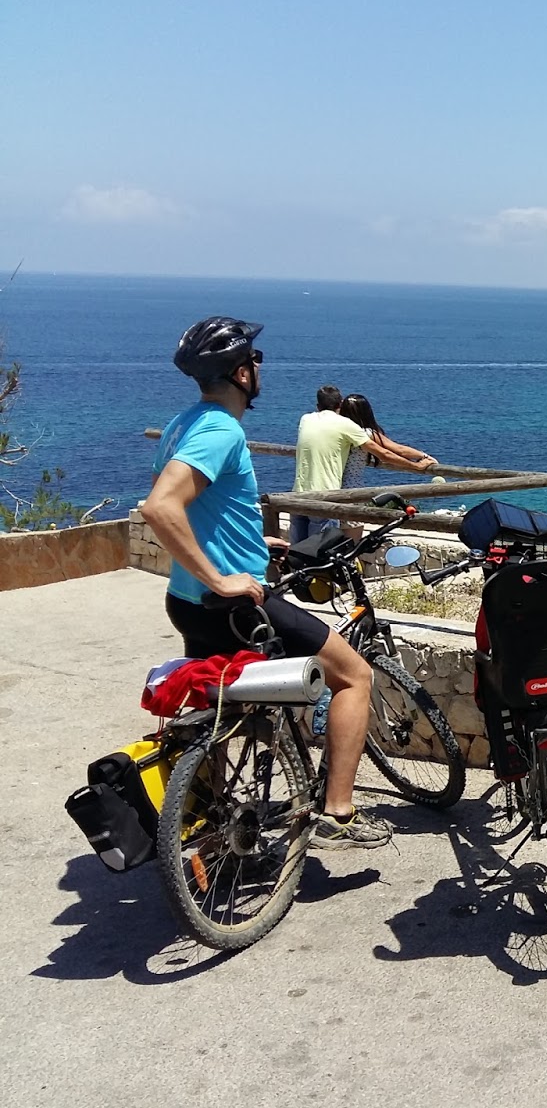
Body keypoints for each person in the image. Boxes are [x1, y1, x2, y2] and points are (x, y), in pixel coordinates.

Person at [144, 317, 392, 850]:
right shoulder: (221, 430)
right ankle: (337, 814)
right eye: (254, 359)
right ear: (240, 373)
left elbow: (199, 506)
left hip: (186, 600)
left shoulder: (183, 423)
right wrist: (222, 577)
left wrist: (252, 544)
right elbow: (161, 507)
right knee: (354, 676)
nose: (261, 365)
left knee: (218, 707)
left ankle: (211, 825)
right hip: (234, 606)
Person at [288, 384, 435, 543]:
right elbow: (389, 452)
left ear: (318, 406)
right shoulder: (350, 427)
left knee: (298, 549)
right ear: (339, 404)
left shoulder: (306, 419)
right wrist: (418, 463)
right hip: (334, 495)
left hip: (298, 493)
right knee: (327, 547)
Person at [337, 393, 437, 488]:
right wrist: (422, 458)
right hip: (351, 486)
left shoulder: (338, 431)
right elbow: (398, 450)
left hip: (334, 485)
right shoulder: (366, 433)